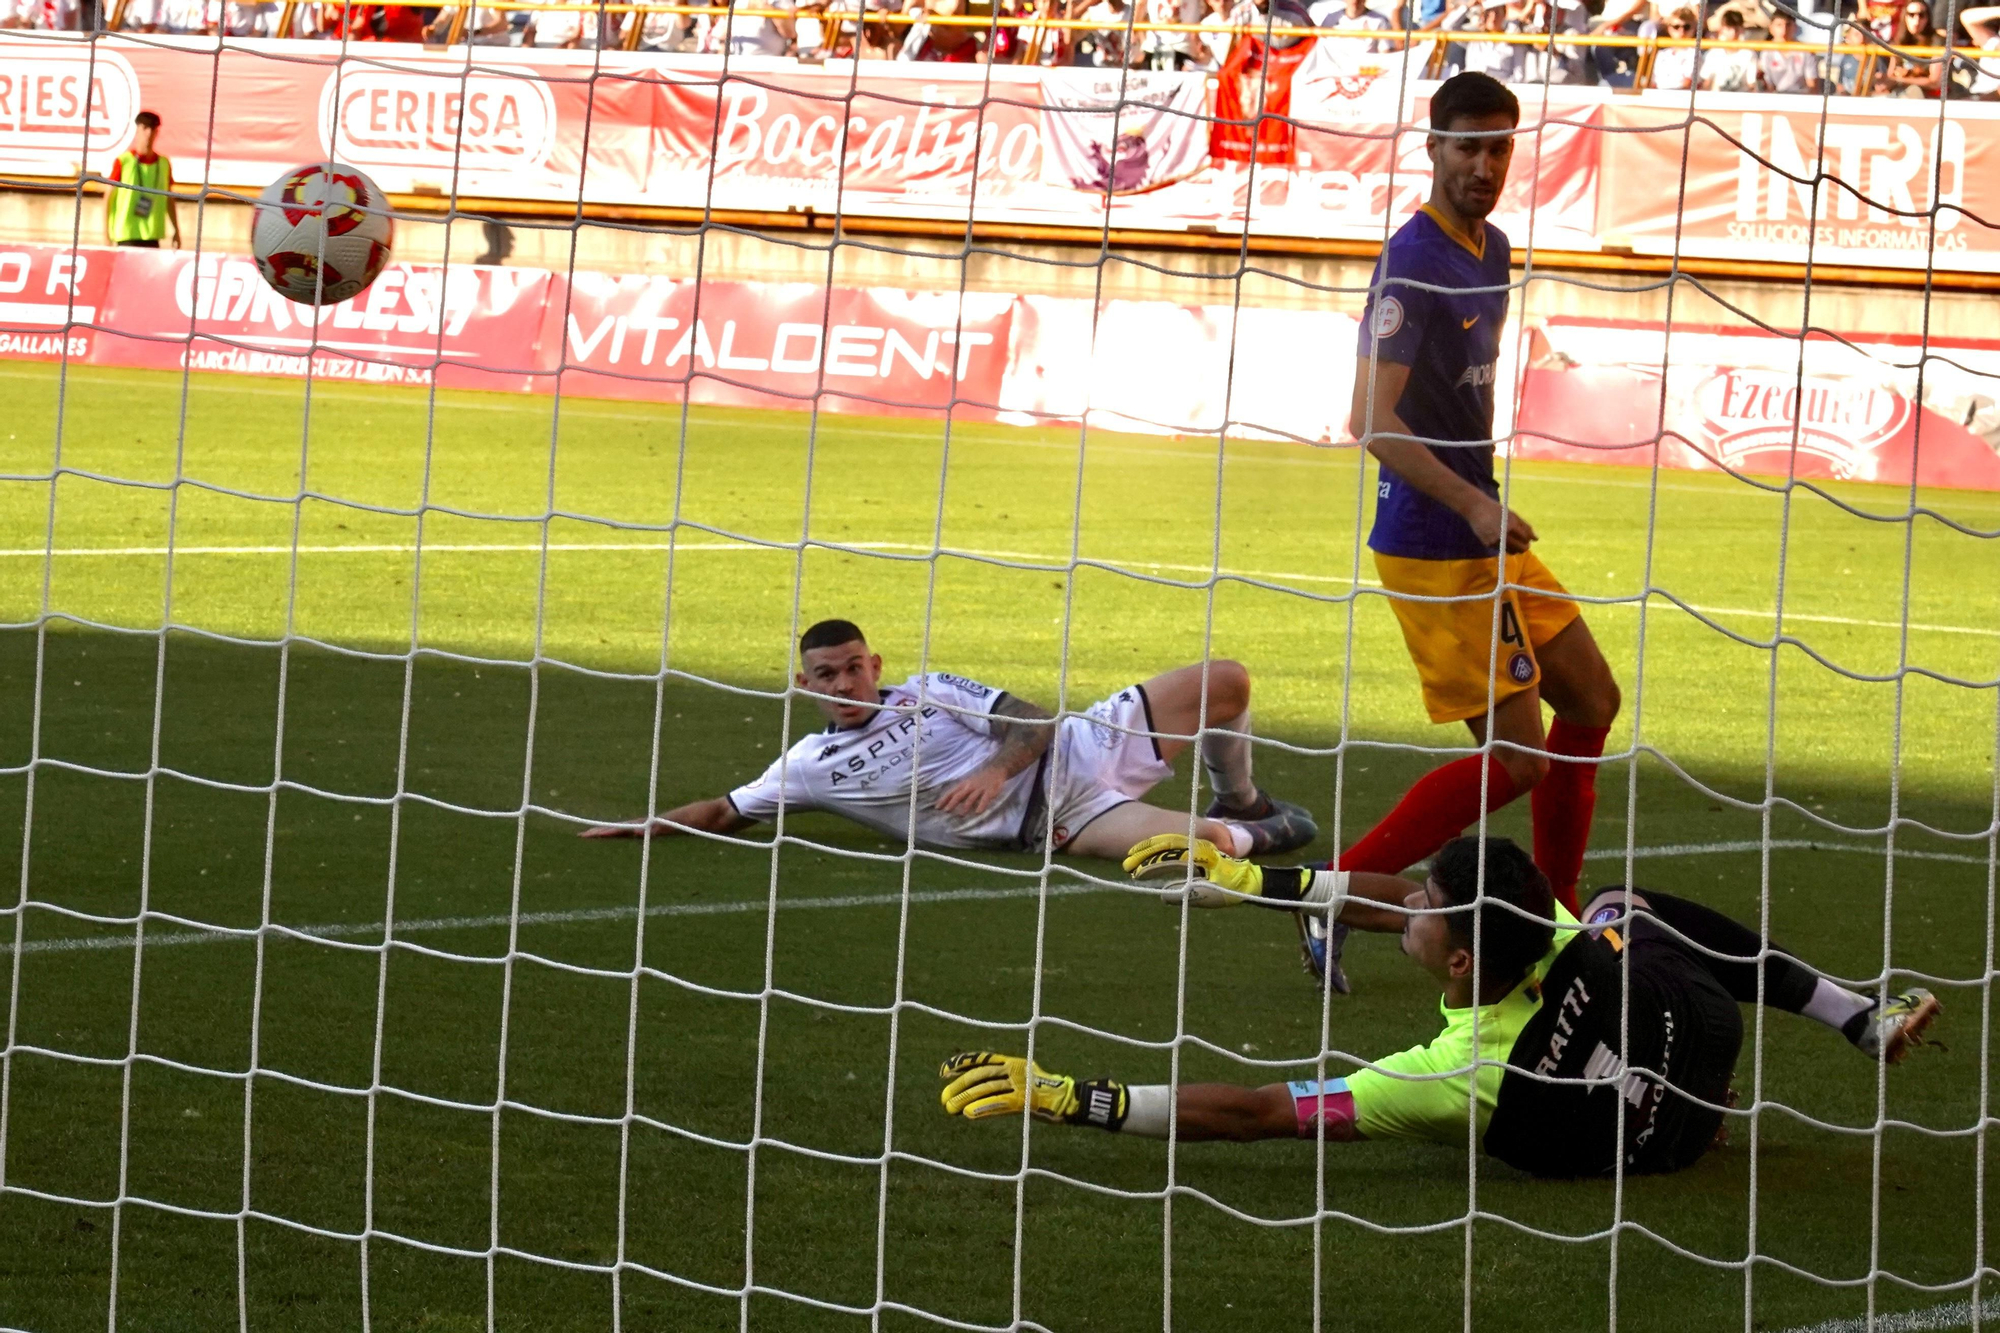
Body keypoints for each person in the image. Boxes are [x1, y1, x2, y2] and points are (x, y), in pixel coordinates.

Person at [941, 835, 1943, 1177]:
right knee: (1618, 907)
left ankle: (1838, 1026)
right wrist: (1258, 887)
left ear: (1458, 963)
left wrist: (1074, 1096)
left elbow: (1260, 1111)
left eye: (1422, 906)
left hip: (1640, 1152)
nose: (1403, 906)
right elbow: (1420, 910)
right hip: (1694, 1062)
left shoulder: (1444, 1079)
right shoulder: (1549, 929)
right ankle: (1852, 1015)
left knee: (1608, 919)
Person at [1336, 71, 1621, 939]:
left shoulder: (1491, 248)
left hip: (1481, 524)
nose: (1486, 165)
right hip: (1437, 537)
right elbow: (1370, 423)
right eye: (1469, 147)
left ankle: (1559, 914)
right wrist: (1474, 503)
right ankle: (1337, 893)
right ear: (1432, 149)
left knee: (1592, 701)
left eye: (1501, 147)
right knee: (1515, 760)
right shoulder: (1411, 264)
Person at [581, 618, 1318, 861]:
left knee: (1228, 679)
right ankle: (1249, 829)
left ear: (875, 665)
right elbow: (723, 809)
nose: (843, 684)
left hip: (1078, 753)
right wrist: (644, 826)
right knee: (1209, 847)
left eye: (852, 668)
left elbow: (1032, 718)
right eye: (825, 677)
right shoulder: (808, 768)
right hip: (1059, 817)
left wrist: (993, 773)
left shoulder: (927, 687)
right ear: (805, 686)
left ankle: (1246, 796)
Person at [104, 111, 180, 251]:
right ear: (137, 130)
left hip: (152, 235)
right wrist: (106, 234)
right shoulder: (123, 161)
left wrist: (176, 230)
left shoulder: (163, 164)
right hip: (126, 234)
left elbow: (169, 198)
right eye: (145, 128)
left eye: (153, 129)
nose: (148, 133)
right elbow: (108, 198)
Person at [1757, 7, 1821, 91]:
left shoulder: (1806, 51)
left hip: (1800, 98)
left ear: (1795, 27)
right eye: (1779, 25)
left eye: (1788, 25)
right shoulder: (1766, 52)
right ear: (1771, 28)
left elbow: (1812, 85)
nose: (1784, 30)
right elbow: (1768, 85)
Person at [1699, 6, 1757, 86]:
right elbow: (1706, 81)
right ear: (1721, 29)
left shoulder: (1749, 53)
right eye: (1729, 28)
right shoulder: (1714, 53)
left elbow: (1751, 83)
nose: (1733, 33)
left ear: (1742, 29)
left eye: (1736, 29)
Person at [1649, 4, 1704, 86]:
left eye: (1686, 27)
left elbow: (1688, 84)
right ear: (1669, 29)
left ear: (1694, 29)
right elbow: (1652, 83)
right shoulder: (1661, 55)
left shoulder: (1695, 54)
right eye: (1676, 27)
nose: (1681, 31)